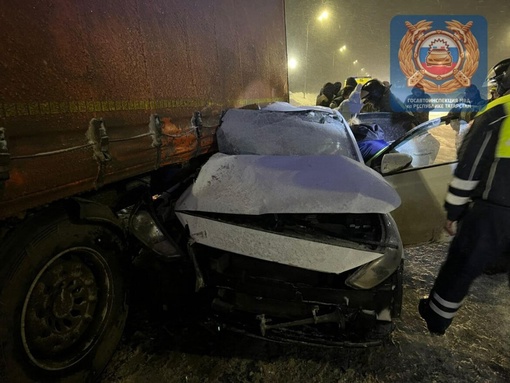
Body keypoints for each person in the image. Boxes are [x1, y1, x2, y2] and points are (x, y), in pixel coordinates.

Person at [418, 58, 510, 335]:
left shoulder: (499, 112)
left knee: (461, 265)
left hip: (494, 211)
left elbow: (470, 167)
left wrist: (454, 211)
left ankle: (436, 317)